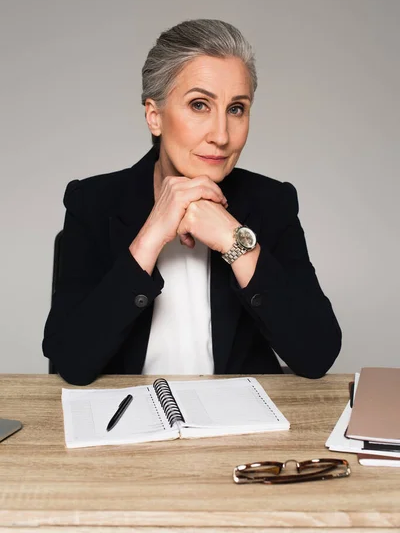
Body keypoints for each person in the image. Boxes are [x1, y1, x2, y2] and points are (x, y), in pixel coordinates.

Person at [43, 19, 341, 385]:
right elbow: (70, 360)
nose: (221, 135)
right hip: (126, 425)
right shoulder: (92, 202)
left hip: (238, 428)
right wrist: (151, 235)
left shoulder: (271, 202)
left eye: (236, 109)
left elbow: (317, 354)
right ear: (155, 116)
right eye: (199, 105)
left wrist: (236, 242)